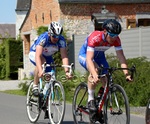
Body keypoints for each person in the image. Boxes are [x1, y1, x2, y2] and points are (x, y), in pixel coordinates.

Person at [78, 19, 132, 122]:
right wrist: (94, 74)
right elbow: (89, 59)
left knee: (107, 79)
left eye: (116, 35)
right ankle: (90, 99)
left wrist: (126, 73)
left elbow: (121, 56)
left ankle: (99, 102)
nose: (114, 38)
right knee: (95, 69)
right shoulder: (95, 37)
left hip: (100, 57)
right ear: (105, 32)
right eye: (111, 35)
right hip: (85, 56)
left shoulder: (116, 39)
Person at [29, 21, 72, 118]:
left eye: (57, 36)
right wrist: (40, 70)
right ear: (49, 33)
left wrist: (66, 71)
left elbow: (64, 56)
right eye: (54, 36)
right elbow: (38, 56)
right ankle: (35, 86)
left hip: (48, 56)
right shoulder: (44, 38)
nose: (56, 39)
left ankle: (45, 103)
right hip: (35, 53)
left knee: (51, 77)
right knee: (41, 63)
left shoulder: (61, 40)